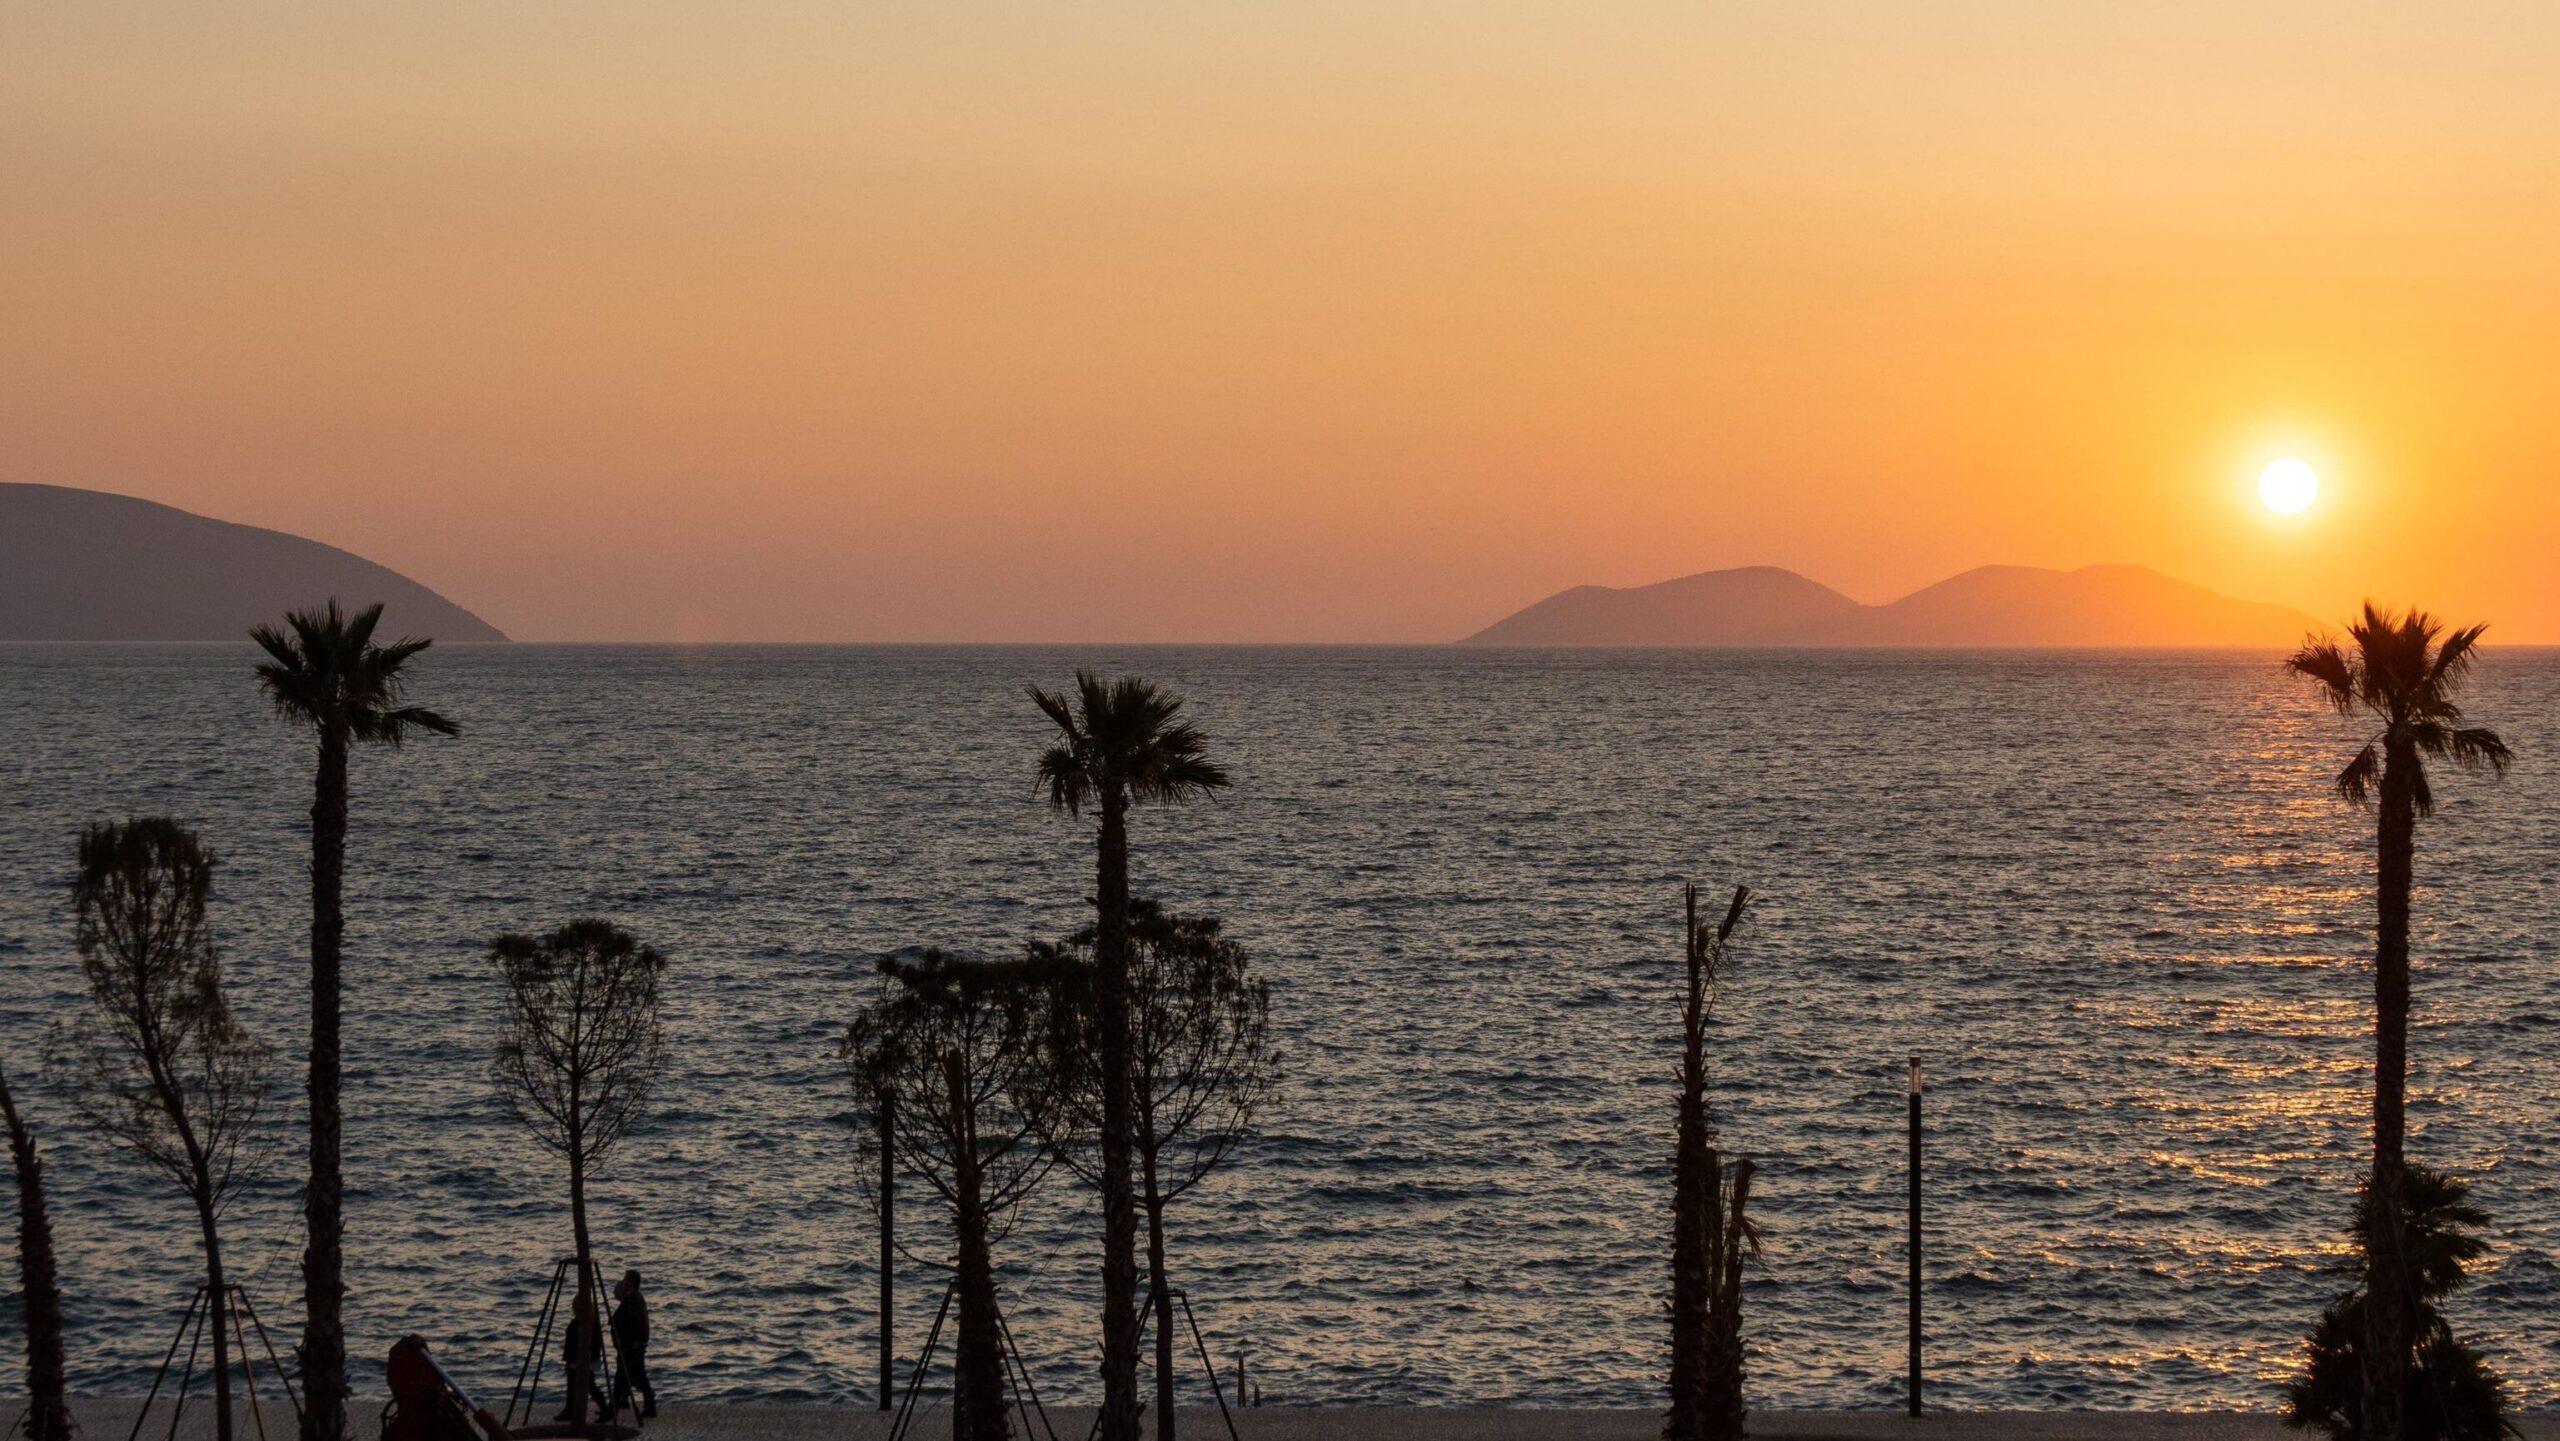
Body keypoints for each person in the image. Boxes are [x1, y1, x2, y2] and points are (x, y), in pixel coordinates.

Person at [610, 1270, 657, 1421]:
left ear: (630, 1282)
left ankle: (614, 1408)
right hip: (632, 1345)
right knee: (635, 1376)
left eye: (625, 1279)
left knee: (626, 1376)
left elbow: (634, 1323)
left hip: (632, 1346)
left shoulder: (633, 1300)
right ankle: (624, 1402)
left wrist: (631, 1343)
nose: (623, 1281)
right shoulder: (634, 1298)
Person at [556, 1290, 611, 1422]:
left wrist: (571, 1360)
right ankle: (572, 1409)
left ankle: (603, 1409)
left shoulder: (583, 1323)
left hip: (580, 1360)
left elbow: (574, 1344)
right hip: (584, 1360)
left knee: (586, 1385)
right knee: (584, 1385)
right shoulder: (590, 1322)